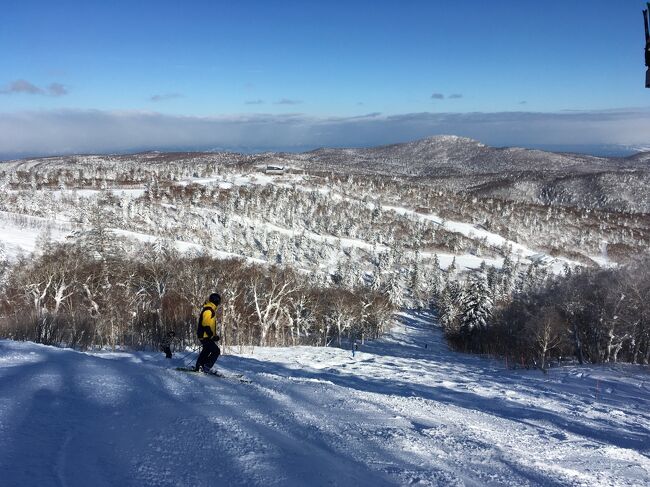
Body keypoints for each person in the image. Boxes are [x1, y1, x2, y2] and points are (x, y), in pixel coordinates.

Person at [194, 293, 222, 373]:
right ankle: (206, 366)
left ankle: (199, 366)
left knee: (206, 350)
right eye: (219, 301)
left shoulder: (210, 309)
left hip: (206, 335)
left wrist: (214, 335)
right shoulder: (209, 310)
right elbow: (205, 324)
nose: (219, 303)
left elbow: (209, 325)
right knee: (216, 351)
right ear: (216, 301)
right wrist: (211, 336)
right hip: (205, 335)